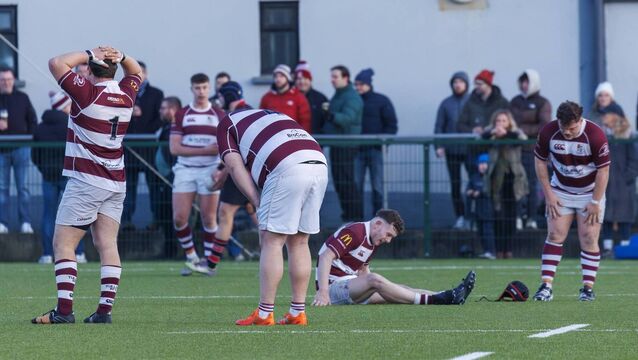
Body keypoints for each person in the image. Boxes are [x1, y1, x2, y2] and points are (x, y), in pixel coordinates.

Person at [32, 46, 143, 324]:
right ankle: (103, 312)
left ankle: (64, 312)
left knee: (63, 243)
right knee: (107, 244)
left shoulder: (88, 93)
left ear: (91, 70)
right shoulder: (127, 95)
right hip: (116, 182)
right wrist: (122, 55)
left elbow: (56, 62)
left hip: (86, 181)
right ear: (115, 68)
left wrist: (88, 52)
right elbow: (136, 70)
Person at [217, 106, 328, 326]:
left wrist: (257, 201)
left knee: (272, 240)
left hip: (286, 166)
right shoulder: (273, 114)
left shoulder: (225, 124)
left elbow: (234, 167)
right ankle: (297, 312)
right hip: (319, 163)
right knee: (299, 240)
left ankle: (265, 312)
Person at [312, 209, 475, 306]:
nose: (388, 240)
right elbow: (326, 256)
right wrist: (323, 292)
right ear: (377, 224)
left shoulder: (373, 240)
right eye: (388, 234)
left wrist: (381, 285)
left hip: (350, 287)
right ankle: (433, 299)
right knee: (375, 280)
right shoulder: (355, 232)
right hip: (334, 289)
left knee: (400, 288)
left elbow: (363, 271)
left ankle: (449, 296)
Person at [532, 101, 610, 302]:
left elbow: (603, 171)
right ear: (558, 121)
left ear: (580, 120)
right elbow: (540, 161)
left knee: (589, 238)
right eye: (563, 127)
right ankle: (546, 286)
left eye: (572, 128)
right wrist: (549, 194)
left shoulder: (595, 135)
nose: (567, 132)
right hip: (561, 191)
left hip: (590, 193)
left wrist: (595, 200)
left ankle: (587, 288)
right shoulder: (548, 132)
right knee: (555, 234)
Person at [170, 73, 225, 275]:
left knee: (209, 218)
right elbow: (175, 148)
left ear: (209, 89)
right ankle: (192, 257)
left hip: (210, 170)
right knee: (179, 217)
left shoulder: (219, 115)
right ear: (191, 89)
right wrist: (207, 150)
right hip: (185, 169)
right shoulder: (182, 114)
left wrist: (214, 157)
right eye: (197, 88)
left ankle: (208, 263)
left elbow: (223, 147)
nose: (201, 92)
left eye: (204, 88)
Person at [203, 81, 258, 272]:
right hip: (250, 170)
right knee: (258, 212)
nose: (218, 101)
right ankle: (283, 249)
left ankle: (211, 263)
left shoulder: (239, 114)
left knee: (225, 213)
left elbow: (239, 151)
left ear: (228, 96)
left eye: (221, 96)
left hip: (243, 171)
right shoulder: (246, 110)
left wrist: (222, 171)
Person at [31, 91, 86, 264]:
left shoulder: (40, 127)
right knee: (75, 214)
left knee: (48, 214)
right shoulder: (71, 124)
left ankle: (47, 254)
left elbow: (35, 155)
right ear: (64, 106)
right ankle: (79, 253)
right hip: (69, 175)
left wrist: (44, 169)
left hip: (48, 176)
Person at [121, 61, 164, 231]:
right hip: (128, 149)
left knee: (154, 187)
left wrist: (144, 120)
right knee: (128, 188)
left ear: (145, 74)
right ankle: (126, 221)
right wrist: (129, 114)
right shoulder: (122, 91)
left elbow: (160, 119)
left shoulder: (156, 94)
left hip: (149, 150)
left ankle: (157, 221)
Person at [481, 110, 529, 259]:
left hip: (513, 180)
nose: (500, 124)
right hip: (496, 180)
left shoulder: (515, 133)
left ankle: (509, 249)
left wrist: (506, 134)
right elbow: (480, 139)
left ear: (509, 122)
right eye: (498, 121)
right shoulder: (490, 134)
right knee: (498, 216)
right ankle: (498, 249)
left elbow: (523, 139)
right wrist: (494, 134)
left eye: (503, 121)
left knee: (511, 217)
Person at [510, 69, 552, 230]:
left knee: (532, 184)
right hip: (514, 149)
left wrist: (523, 131)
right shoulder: (515, 101)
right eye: (522, 82)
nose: (524, 85)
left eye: (527, 81)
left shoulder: (542, 102)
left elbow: (544, 125)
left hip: (532, 150)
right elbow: (509, 120)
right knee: (516, 184)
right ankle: (518, 217)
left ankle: (532, 217)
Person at [353, 68, 398, 216]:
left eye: (360, 84)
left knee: (377, 186)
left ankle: (377, 219)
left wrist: (383, 142)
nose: (358, 87)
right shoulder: (353, 100)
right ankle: (357, 220)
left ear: (368, 84)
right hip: (357, 150)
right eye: (356, 84)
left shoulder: (381, 101)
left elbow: (392, 125)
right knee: (356, 186)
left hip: (375, 150)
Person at [324, 65, 364, 222]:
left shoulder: (352, 97)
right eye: (332, 76)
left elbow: (347, 119)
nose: (332, 80)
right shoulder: (340, 95)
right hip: (338, 144)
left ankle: (354, 217)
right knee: (340, 183)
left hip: (347, 145)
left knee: (346, 182)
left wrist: (331, 116)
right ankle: (348, 217)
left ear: (345, 78)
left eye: (335, 77)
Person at [0, 67, 37, 234]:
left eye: (8, 79)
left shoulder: (23, 98)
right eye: (2, 80)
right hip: (1, 151)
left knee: (23, 187)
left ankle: (26, 223)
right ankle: (3, 223)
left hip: (22, 149)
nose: (6, 82)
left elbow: (33, 121)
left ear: (13, 80)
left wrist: (28, 142)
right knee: (1, 189)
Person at [434, 71, 471, 229]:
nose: (457, 85)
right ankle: (460, 216)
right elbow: (439, 126)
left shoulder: (472, 102)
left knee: (475, 184)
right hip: (452, 150)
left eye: (460, 82)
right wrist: (439, 145)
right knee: (455, 185)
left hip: (471, 149)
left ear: (466, 84)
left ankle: (472, 217)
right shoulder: (445, 103)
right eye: (455, 82)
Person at [457, 69, 510, 175]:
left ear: (488, 84)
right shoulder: (470, 102)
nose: (476, 86)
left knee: (495, 181)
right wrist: (472, 130)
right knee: (477, 183)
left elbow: (511, 122)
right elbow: (460, 124)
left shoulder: (502, 102)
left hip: (497, 148)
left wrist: (498, 130)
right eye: (475, 84)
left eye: (479, 84)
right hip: (474, 150)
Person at [600, 113, 638, 257]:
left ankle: (625, 250)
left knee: (625, 218)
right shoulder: (605, 138)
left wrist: (627, 178)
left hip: (624, 186)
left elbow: (634, 161)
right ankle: (608, 249)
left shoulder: (628, 137)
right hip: (608, 184)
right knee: (607, 217)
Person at [155, 96, 181, 257]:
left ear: (172, 110)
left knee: (175, 217)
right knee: (164, 215)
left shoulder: (176, 128)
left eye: (164, 108)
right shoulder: (165, 127)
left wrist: (171, 174)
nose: (161, 111)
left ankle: (175, 251)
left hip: (172, 178)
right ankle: (169, 250)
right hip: (164, 179)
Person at [259, 64, 311, 133]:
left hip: (293, 137)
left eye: (281, 76)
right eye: (276, 76)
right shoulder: (267, 97)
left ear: (288, 78)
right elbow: (261, 119)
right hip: (272, 137)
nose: (278, 79)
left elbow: (305, 121)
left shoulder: (298, 97)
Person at [466, 154, 495, 260]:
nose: (483, 166)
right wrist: (473, 192)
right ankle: (485, 250)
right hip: (477, 209)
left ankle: (491, 251)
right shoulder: (474, 177)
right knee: (480, 231)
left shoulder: (490, 177)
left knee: (488, 231)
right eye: (481, 164)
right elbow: (468, 190)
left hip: (487, 210)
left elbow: (487, 191)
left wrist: (478, 192)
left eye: (485, 164)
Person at [294, 60, 329, 134]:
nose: (302, 82)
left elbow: (326, 120)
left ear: (310, 80)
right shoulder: (291, 98)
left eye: (305, 79)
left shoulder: (320, 98)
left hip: (316, 140)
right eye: (299, 79)